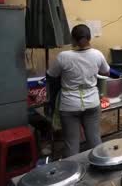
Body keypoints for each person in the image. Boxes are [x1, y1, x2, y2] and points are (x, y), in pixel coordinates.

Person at [47, 24, 110, 157]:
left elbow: (51, 76)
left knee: (72, 144)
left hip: (69, 106)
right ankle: (101, 167)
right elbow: (106, 72)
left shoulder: (63, 56)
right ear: (89, 38)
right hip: (92, 103)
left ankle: (74, 174)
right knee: (94, 139)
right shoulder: (97, 54)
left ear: (73, 39)